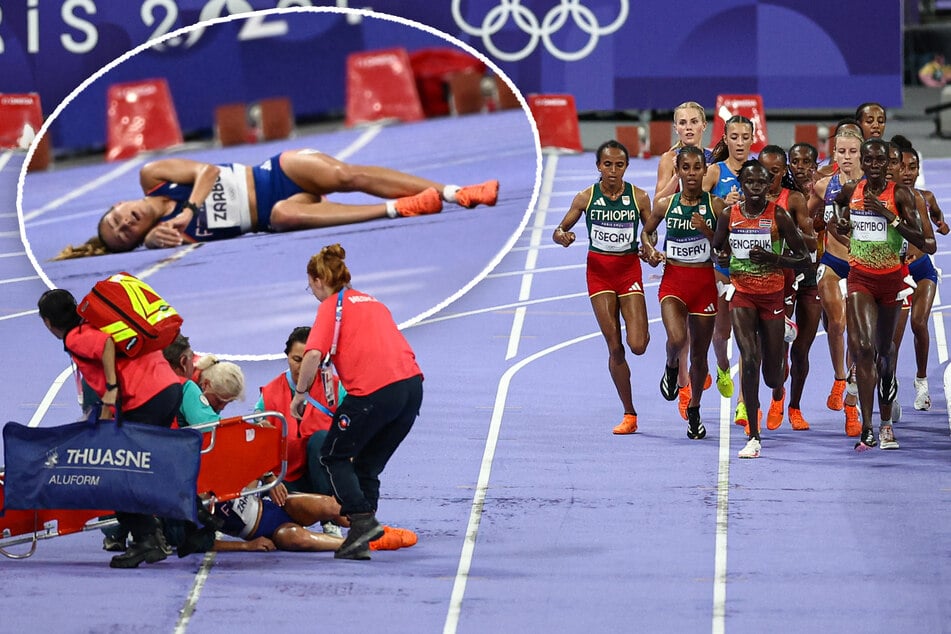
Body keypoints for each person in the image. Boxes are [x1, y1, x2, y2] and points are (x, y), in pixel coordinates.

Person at [55, 149, 500, 258]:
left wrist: (189, 208)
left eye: (117, 216)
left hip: (276, 173)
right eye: (123, 232)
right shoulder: (157, 238)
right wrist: (164, 243)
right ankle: (399, 208)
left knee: (345, 175)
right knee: (284, 215)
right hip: (274, 213)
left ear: (119, 201)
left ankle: (454, 192)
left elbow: (207, 171)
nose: (125, 221)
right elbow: (186, 250)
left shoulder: (153, 178)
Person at [291, 243, 424, 560]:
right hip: (412, 388)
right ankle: (360, 538)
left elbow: (312, 354)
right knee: (367, 464)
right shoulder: (374, 302)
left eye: (310, 286)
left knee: (333, 455)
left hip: (374, 391)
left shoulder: (332, 307)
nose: (312, 293)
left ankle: (363, 521)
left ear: (319, 280)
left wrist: (300, 393)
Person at [37, 288, 183, 568]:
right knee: (142, 469)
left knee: (115, 473)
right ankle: (163, 533)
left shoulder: (76, 336)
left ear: (47, 322)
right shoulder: (97, 322)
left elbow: (103, 344)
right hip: (167, 385)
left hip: (146, 397)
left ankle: (147, 540)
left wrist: (112, 390)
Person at [832, 138, 927, 451]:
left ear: (888, 164)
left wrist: (889, 217)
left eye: (879, 161)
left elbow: (923, 241)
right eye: (868, 160)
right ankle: (868, 427)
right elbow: (834, 216)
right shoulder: (851, 191)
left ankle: (887, 423)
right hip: (860, 278)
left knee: (885, 354)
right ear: (863, 161)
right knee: (863, 348)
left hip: (891, 282)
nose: (873, 166)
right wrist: (843, 228)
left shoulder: (899, 194)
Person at [711, 160, 809, 459]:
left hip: (772, 297)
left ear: (768, 186)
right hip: (742, 295)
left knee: (771, 376)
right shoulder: (729, 215)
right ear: (741, 184)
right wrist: (722, 252)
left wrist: (773, 259)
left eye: (760, 183)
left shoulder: (778, 215)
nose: (755, 187)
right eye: (749, 182)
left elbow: (804, 258)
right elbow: (717, 250)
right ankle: (754, 435)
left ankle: (779, 389)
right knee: (750, 359)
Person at [552, 140, 651, 435]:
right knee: (615, 346)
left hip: (628, 271)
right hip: (599, 275)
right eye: (607, 164)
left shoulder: (640, 197)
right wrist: (562, 237)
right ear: (598, 166)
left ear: (626, 167)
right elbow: (559, 229)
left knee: (638, 345)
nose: (613, 170)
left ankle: (643, 333)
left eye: (619, 165)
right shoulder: (585, 198)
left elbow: (650, 234)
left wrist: (649, 248)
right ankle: (630, 413)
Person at [641, 145, 722, 439]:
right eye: (685, 168)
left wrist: (708, 232)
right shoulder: (665, 204)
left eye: (696, 168)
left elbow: (724, 249)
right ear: (678, 171)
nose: (691, 174)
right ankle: (672, 365)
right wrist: (649, 250)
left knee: (700, 357)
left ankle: (695, 411)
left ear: (704, 171)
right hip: (674, 281)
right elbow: (647, 232)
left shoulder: (717, 206)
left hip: (704, 284)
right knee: (677, 338)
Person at [255, 326, 344, 537]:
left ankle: (330, 520)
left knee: (322, 439)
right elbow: (255, 444)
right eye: (296, 359)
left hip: (323, 474)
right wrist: (269, 479)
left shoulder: (336, 389)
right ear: (286, 357)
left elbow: (356, 433)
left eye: (309, 359)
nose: (302, 366)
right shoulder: (270, 394)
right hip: (286, 481)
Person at [758, 145, 820, 432]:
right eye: (763, 170)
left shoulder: (793, 199)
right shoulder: (751, 200)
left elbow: (811, 244)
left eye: (774, 171)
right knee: (777, 348)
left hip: (807, 277)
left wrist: (789, 230)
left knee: (801, 350)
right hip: (779, 280)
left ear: (783, 172)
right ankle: (776, 398)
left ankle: (794, 407)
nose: (768, 177)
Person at [808, 128, 864, 436]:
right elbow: (804, 217)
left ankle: (852, 402)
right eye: (841, 152)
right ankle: (840, 378)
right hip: (831, 261)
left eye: (852, 152)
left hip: (862, 265)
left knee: (857, 335)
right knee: (837, 323)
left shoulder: (872, 186)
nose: (845, 157)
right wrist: (814, 226)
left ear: (861, 153)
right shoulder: (822, 186)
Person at [172, 489, 416, 558]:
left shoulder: (207, 458)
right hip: (267, 530)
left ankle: (371, 526)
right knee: (296, 537)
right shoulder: (178, 513)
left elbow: (254, 456)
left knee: (328, 506)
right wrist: (247, 547)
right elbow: (198, 544)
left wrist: (270, 477)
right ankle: (365, 544)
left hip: (276, 504)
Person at [703, 116, 757, 422]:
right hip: (722, 264)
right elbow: (698, 202)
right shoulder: (715, 171)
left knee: (747, 337)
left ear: (752, 138)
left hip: (750, 266)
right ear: (725, 138)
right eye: (733, 137)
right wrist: (723, 202)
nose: (739, 143)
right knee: (722, 331)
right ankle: (722, 367)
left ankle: (743, 402)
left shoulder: (756, 172)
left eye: (744, 137)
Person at [892, 139, 944, 412]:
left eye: (914, 167)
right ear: (894, 169)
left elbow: (937, 218)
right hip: (897, 274)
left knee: (919, 323)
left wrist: (941, 223)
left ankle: (922, 382)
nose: (909, 172)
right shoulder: (887, 201)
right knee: (893, 339)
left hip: (922, 270)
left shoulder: (925, 197)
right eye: (903, 167)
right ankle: (892, 390)